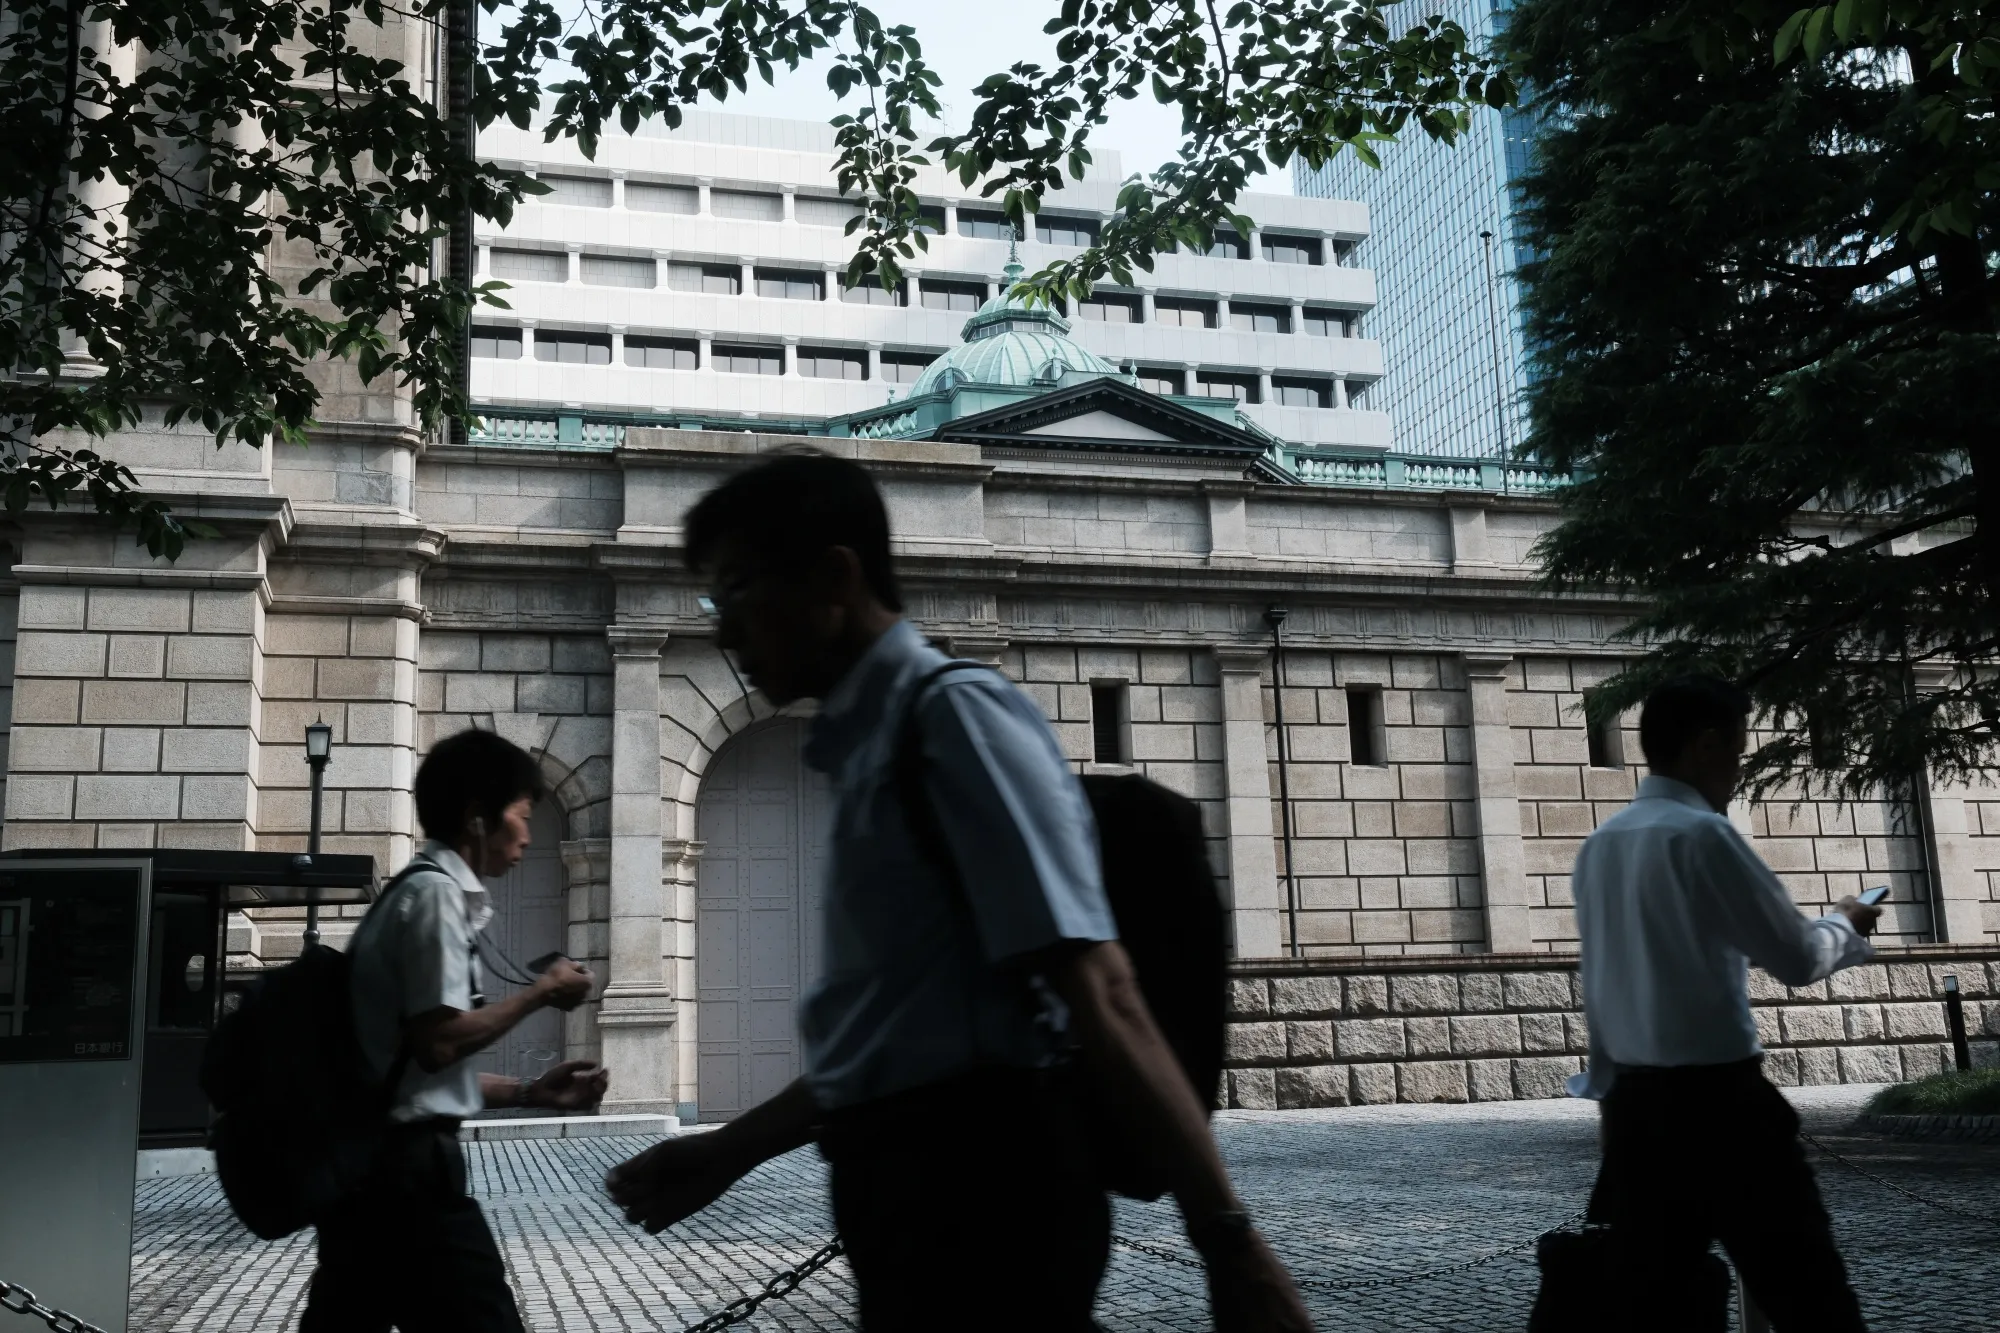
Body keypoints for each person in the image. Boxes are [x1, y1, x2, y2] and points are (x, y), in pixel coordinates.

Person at [606, 450, 1312, 1333]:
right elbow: (886, 1039)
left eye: (741, 588)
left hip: (986, 1200)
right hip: (916, 1199)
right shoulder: (867, 754)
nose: (726, 630)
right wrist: (726, 1152)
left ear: (834, 577)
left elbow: (1102, 988)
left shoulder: (953, 723)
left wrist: (1230, 1243)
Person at [1568, 675, 1880, 1332]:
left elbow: (1598, 985)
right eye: (1738, 750)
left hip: (1635, 1116)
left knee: (1653, 1314)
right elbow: (1796, 958)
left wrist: (1607, 1096)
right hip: (1724, 1111)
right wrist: (1848, 920)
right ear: (1707, 745)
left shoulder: (1599, 846)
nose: (1740, 769)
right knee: (1813, 1298)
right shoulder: (1705, 835)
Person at [303, 727, 610, 1333]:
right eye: (521, 814)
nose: (526, 832)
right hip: (407, 1182)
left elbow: (413, 1073)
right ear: (477, 819)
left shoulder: (414, 893)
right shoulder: (435, 900)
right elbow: (439, 1043)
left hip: (374, 1177)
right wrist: (543, 992)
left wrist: (528, 1093)